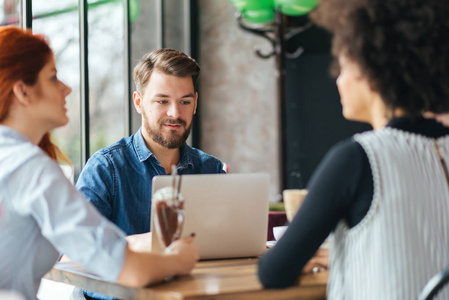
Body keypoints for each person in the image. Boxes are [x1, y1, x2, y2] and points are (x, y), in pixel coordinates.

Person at [258, 0, 449, 299]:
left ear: (371, 70)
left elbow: (273, 271)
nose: (338, 78)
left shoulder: (358, 159)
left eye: (343, 65)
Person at [0, 27, 199, 299]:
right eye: (53, 77)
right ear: (23, 91)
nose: (67, 88)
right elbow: (123, 267)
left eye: (184, 101)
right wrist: (179, 258)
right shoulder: (30, 168)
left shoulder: (17, 160)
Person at [76, 48, 225, 237]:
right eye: (162, 101)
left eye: (185, 102)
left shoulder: (212, 169)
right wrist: (153, 243)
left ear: (195, 103)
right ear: (139, 103)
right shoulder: (106, 169)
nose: (175, 114)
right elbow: (75, 252)